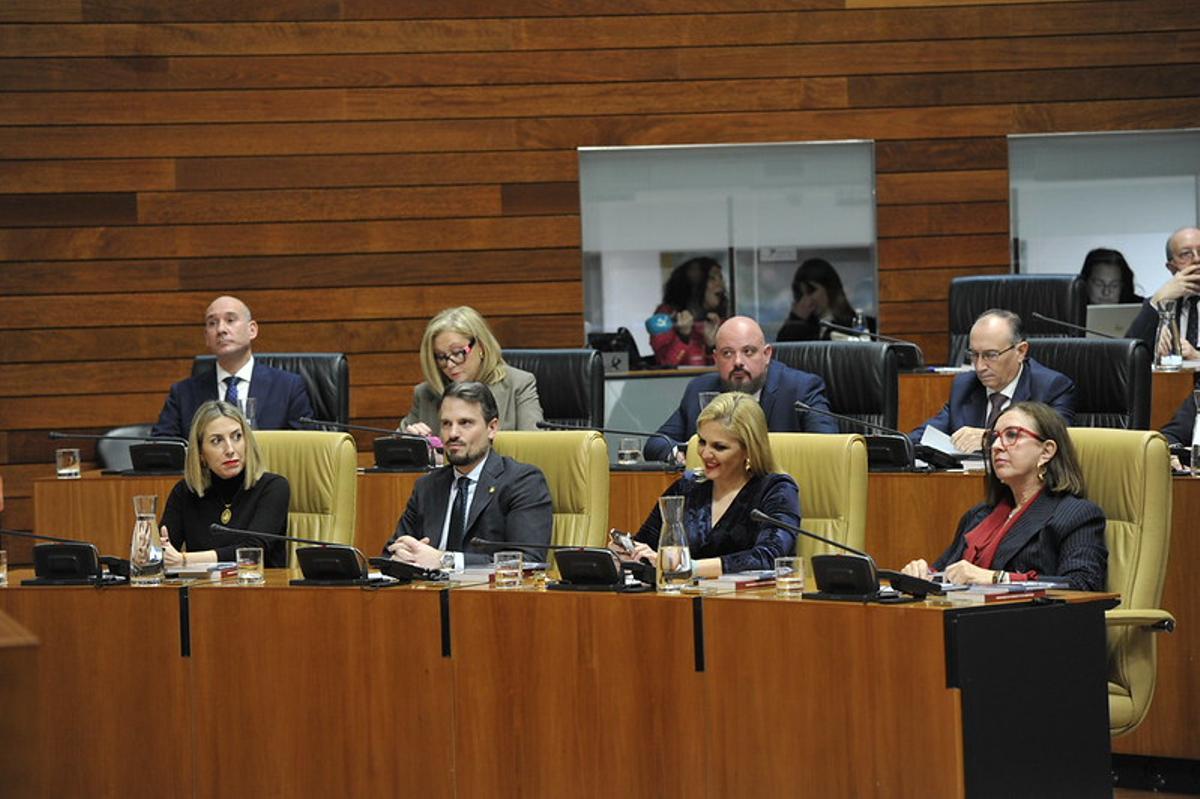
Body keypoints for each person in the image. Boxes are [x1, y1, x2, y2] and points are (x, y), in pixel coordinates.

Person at [901, 401, 1107, 591]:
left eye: (1011, 435)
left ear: (1046, 451)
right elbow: (946, 573)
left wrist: (996, 578)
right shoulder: (979, 515)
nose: (996, 446)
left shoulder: (1076, 516)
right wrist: (923, 574)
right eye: (995, 437)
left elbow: (1083, 584)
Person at [615, 392, 799, 576]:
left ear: (748, 450)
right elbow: (647, 545)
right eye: (702, 442)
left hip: (751, 600)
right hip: (685, 598)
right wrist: (627, 552)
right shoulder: (686, 487)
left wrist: (689, 567)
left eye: (719, 447)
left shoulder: (776, 490)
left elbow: (768, 558)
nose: (705, 454)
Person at [383, 381, 553, 570]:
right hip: (428, 593)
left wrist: (445, 560)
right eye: (446, 424)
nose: (453, 433)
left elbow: (529, 561)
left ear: (492, 428)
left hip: (487, 596)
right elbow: (390, 551)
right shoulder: (427, 486)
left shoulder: (522, 482)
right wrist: (400, 556)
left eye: (465, 423)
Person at [643, 316, 837, 462]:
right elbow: (656, 443)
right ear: (716, 359)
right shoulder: (700, 389)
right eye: (727, 353)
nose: (738, 362)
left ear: (767, 354)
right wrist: (682, 453)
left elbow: (829, 448)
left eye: (748, 352)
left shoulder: (800, 389)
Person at [909, 309, 1076, 453]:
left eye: (991, 355)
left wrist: (988, 438)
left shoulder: (1051, 387)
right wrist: (898, 443)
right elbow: (926, 435)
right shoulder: (965, 386)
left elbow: (1054, 440)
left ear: (1021, 351)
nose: (980, 366)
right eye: (974, 355)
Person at [151, 295, 313, 439]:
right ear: (207, 337)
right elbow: (162, 449)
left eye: (230, 320)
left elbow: (303, 448)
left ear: (252, 330)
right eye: (212, 323)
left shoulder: (288, 387)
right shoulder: (183, 394)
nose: (221, 329)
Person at [158, 400, 290, 569]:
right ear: (200, 454)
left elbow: (252, 551)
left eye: (237, 437)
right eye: (216, 441)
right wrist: (149, 552)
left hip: (259, 590)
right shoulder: (186, 492)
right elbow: (165, 551)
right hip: (202, 592)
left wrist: (184, 559)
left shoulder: (273, 487)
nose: (230, 449)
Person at [400, 306, 544, 437]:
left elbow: (534, 447)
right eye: (441, 357)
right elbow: (391, 451)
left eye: (457, 353)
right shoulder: (425, 393)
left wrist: (446, 456)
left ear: (481, 346)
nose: (450, 364)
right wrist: (411, 442)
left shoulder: (518, 384)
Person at [1125, 226, 1200, 359]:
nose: (1196, 259)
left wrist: (1197, 357)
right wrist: (1157, 299)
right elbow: (1127, 356)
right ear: (1171, 267)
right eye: (1186, 254)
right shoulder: (1161, 303)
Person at [647, 256, 728, 366]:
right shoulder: (667, 316)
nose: (721, 285)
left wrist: (711, 347)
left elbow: (726, 371)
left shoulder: (719, 321)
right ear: (694, 284)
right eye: (712, 278)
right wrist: (683, 337)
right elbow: (666, 365)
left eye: (720, 278)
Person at [776, 257, 865, 341]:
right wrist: (796, 320)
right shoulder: (806, 325)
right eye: (801, 294)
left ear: (829, 289)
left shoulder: (853, 323)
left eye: (811, 291)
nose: (806, 300)